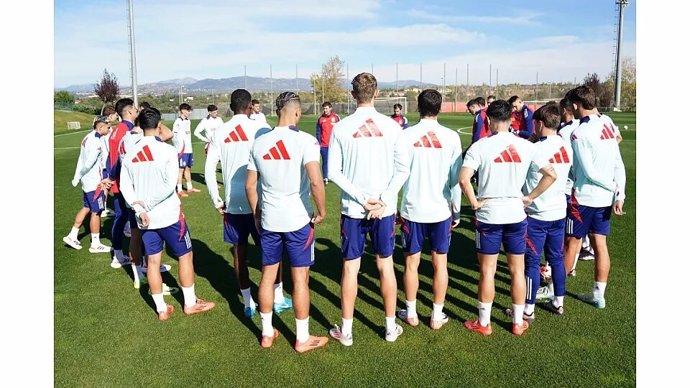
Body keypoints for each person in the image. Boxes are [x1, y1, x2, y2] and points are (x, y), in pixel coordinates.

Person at [459, 99, 556, 336]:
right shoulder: (526, 146)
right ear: (511, 119)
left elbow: (463, 179)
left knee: (487, 271)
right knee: (517, 270)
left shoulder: (480, 146)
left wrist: (473, 203)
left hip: (490, 215)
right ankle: (517, 322)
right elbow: (551, 174)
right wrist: (530, 197)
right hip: (515, 213)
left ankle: (484, 323)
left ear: (489, 120)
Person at [327, 72, 410, 346]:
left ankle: (347, 332)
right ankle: (389, 327)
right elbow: (403, 170)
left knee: (351, 267)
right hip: (382, 210)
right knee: (385, 265)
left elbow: (333, 173)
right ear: (376, 93)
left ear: (353, 95)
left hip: (354, 209)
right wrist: (382, 199)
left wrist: (363, 199)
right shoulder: (393, 127)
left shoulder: (341, 128)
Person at [246, 91, 329, 352]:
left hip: (270, 220)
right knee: (300, 278)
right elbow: (316, 180)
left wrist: (257, 215)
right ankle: (302, 338)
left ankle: (267, 333)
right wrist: (322, 210)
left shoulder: (260, 142)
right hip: (297, 220)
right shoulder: (305, 141)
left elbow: (250, 186)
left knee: (268, 275)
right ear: (296, 112)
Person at [119, 107, 216, 321]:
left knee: (152, 262)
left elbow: (125, 187)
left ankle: (161, 309)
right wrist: (148, 205)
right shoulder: (168, 150)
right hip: (169, 216)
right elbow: (169, 185)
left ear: (140, 125)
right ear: (159, 123)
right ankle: (190, 303)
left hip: (144, 219)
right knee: (185, 255)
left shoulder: (130, 153)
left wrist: (140, 208)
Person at [205, 89, 292, 318]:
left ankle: (248, 302)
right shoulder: (261, 129)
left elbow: (208, 169)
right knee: (272, 251)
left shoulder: (220, 131)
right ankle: (279, 297)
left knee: (239, 253)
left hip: (233, 203)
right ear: (248, 106)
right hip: (260, 202)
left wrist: (216, 199)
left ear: (231, 106)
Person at [395, 89, 462, 330]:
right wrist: (457, 210)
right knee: (439, 263)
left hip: (413, 209)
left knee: (411, 263)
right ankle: (436, 315)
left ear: (417, 106)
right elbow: (456, 179)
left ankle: (411, 313)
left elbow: (398, 174)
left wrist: (394, 205)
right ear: (440, 107)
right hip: (441, 210)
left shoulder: (406, 135)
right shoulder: (452, 137)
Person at [507, 102, 572, 322]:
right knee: (556, 258)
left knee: (533, 261)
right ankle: (558, 301)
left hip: (537, 212)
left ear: (540, 123)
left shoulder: (535, 149)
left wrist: (527, 197)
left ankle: (528, 308)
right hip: (559, 211)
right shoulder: (566, 145)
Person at [563, 85, 626, 309]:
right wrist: (620, 192)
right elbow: (618, 161)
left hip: (585, 198)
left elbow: (588, 172)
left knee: (572, 243)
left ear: (576, 105)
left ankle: (556, 294)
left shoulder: (578, 133)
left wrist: (613, 188)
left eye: (571, 105)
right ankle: (599, 295)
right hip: (605, 199)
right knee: (600, 244)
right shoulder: (607, 123)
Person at [63, 118, 113, 254]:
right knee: (96, 212)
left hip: (87, 182)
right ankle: (95, 244)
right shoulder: (96, 142)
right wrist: (82, 174)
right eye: (108, 127)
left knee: (86, 207)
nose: (109, 130)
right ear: (101, 127)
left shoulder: (87, 137)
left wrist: (77, 176)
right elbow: (89, 163)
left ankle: (72, 235)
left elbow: (81, 158)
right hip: (95, 183)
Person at [103, 98, 138, 268]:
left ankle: (118, 254)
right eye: (136, 109)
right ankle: (142, 262)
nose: (137, 111)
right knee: (134, 218)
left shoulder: (117, 129)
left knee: (121, 216)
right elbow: (121, 160)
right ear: (130, 111)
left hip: (117, 180)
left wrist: (110, 177)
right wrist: (112, 177)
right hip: (125, 181)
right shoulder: (129, 131)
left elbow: (112, 157)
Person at [172, 103, 199, 197]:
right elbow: (174, 136)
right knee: (180, 170)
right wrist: (179, 148)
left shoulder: (188, 121)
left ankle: (189, 187)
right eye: (188, 110)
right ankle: (179, 189)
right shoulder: (178, 122)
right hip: (182, 150)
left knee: (188, 168)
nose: (190, 112)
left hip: (189, 149)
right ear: (183, 111)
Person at [315, 101, 340, 184]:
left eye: (326, 108)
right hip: (324, 145)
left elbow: (341, 130)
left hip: (334, 144)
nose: (325, 110)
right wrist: (319, 143)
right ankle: (325, 177)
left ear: (330, 108)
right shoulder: (321, 119)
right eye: (324, 108)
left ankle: (335, 176)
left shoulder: (336, 118)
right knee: (325, 161)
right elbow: (318, 132)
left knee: (335, 161)